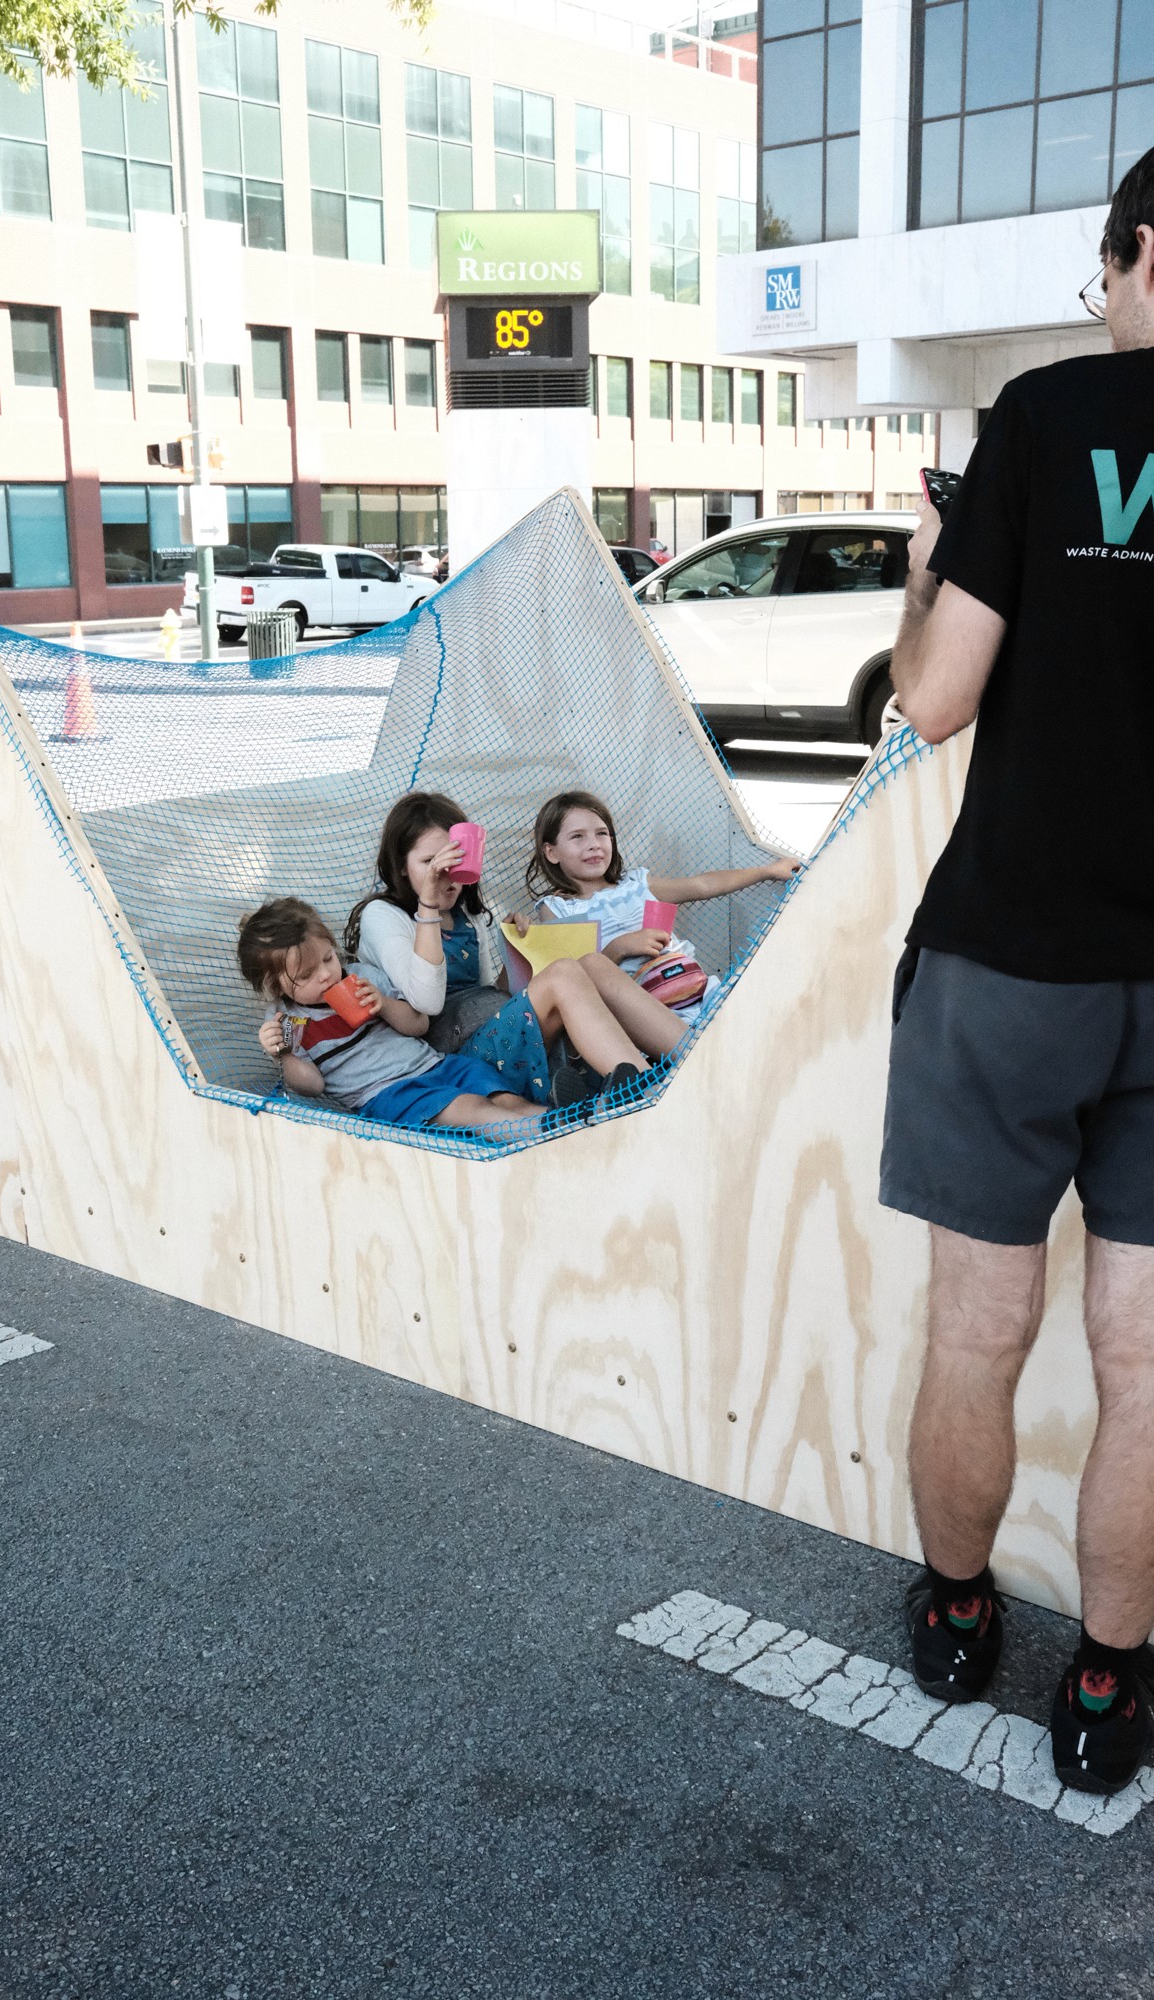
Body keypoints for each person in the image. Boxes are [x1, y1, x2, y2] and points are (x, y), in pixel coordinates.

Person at [884, 150, 1154, 1795]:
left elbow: (929, 703)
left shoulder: (1046, 419)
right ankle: (1109, 1684)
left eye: (1100, 272)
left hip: (1011, 964)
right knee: (1148, 1367)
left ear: (1142, 254)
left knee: (977, 1334)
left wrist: (930, 565)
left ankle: (959, 1610)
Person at [348, 791, 686, 1106]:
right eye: (430, 863)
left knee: (590, 963)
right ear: (402, 866)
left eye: (454, 860)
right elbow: (427, 1002)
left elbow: (492, 993)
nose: (445, 875)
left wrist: (517, 950)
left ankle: (690, 1053)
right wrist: (428, 906)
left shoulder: (468, 917)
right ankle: (648, 1092)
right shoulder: (383, 915)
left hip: (502, 1033)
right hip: (459, 1060)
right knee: (564, 972)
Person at [238, 896, 544, 1139]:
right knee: (470, 1108)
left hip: (436, 1065)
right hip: (387, 1094)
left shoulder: (362, 977)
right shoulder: (287, 1021)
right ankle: (543, 1135)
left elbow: (419, 1025)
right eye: (306, 975)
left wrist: (383, 1004)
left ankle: (560, 1122)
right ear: (275, 986)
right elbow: (313, 1085)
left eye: (328, 958)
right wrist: (285, 1055)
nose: (325, 975)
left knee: (501, 1095)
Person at [525, 789, 797, 1033]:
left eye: (602, 833)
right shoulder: (557, 909)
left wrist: (767, 871)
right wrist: (619, 948)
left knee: (773, 1013)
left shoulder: (636, 885)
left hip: (702, 993)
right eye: (578, 837)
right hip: (648, 1020)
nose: (594, 844)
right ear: (552, 852)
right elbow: (574, 981)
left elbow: (701, 885)